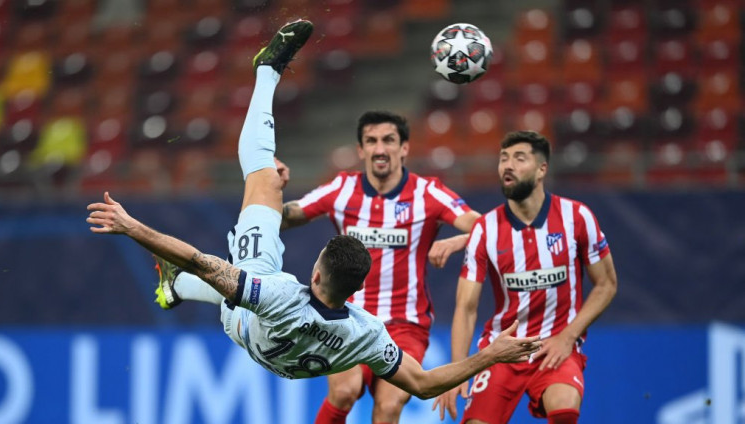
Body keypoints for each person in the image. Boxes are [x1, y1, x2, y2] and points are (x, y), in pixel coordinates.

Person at [86, 19, 542, 405]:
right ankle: (176, 290)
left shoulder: (280, 294)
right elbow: (423, 385)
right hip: (275, 354)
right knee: (220, 271)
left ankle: (267, 71)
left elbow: (199, 259)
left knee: (258, 181)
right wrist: (492, 355)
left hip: (252, 318)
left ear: (317, 276)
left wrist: (131, 226)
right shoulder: (367, 332)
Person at [170, 80, 480, 424]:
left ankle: (181, 285)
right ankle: (181, 285)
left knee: (389, 407)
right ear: (361, 150)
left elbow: (488, 229)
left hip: (406, 323)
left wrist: (456, 241)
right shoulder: (342, 189)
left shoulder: (429, 194)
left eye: (389, 141)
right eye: (371, 141)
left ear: (404, 148)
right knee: (344, 392)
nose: (380, 149)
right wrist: (276, 193)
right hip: (348, 318)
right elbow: (288, 217)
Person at [432, 131, 618, 424]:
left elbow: (607, 284)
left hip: (555, 346)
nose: (508, 165)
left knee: (565, 407)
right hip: (501, 349)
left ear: (542, 169)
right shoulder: (485, 229)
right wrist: (458, 371)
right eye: (503, 158)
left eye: (519, 158)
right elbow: (466, 307)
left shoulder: (577, 217)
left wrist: (567, 336)